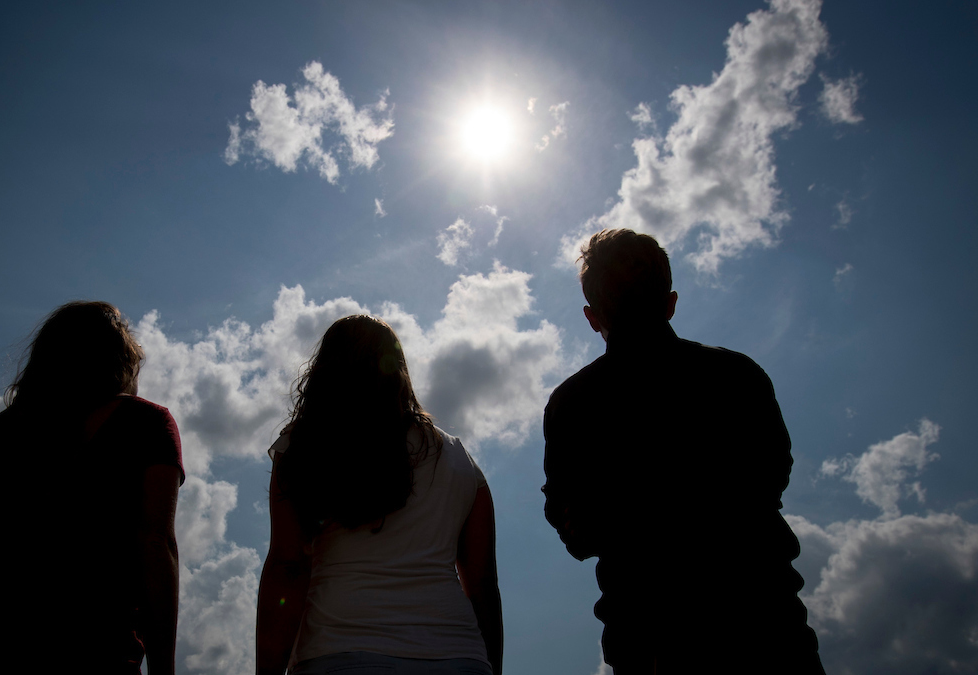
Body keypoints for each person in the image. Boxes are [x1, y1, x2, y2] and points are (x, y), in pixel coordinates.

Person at [541, 229, 824, 674]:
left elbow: (573, 529)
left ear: (592, 317)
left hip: (648, 637)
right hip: (766, 625)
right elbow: (772, 478)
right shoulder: (738, 377)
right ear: (671, 302)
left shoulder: (573, 404)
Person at [0, 301, 184, 675]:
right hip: (94, 649)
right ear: (121, 360)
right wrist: (164, 669)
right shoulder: (146, 423)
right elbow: (156, 544)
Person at [256, 315, 503, 675]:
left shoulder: (306, 446)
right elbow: (482, 585)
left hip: (338, 654)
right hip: (458, 657)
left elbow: (288, 566)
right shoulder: (457, 458)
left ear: (325, 370)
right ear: (399, 369)